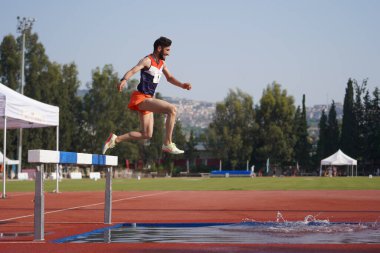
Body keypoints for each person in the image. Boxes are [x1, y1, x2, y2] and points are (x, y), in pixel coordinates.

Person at [102, 36, 192, 155]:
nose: (168, 54)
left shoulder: (162, 63)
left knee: (146, 134)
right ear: (159, 48)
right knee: (172, 109)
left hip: (149, 99)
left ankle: (115, 139)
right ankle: (167, 143)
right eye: (167, 50)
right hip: (141, 98)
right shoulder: (147, 60)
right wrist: (124, 79)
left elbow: (169, 78)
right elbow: (134, 70)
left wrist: (182, 85)